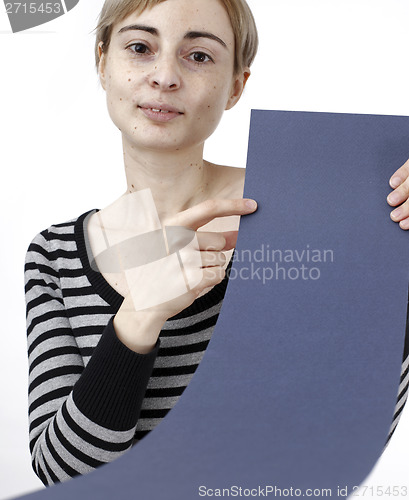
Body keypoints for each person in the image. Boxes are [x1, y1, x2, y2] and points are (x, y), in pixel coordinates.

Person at [24, 0, 409, 488]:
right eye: (140, 47)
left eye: (199, 56)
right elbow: (64, 473)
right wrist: (140, 315)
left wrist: (393, 255)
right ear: (102, 62)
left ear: (236, 86)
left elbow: (342, 440)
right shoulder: (54, 254)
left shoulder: (324, 219)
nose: (164, 76)